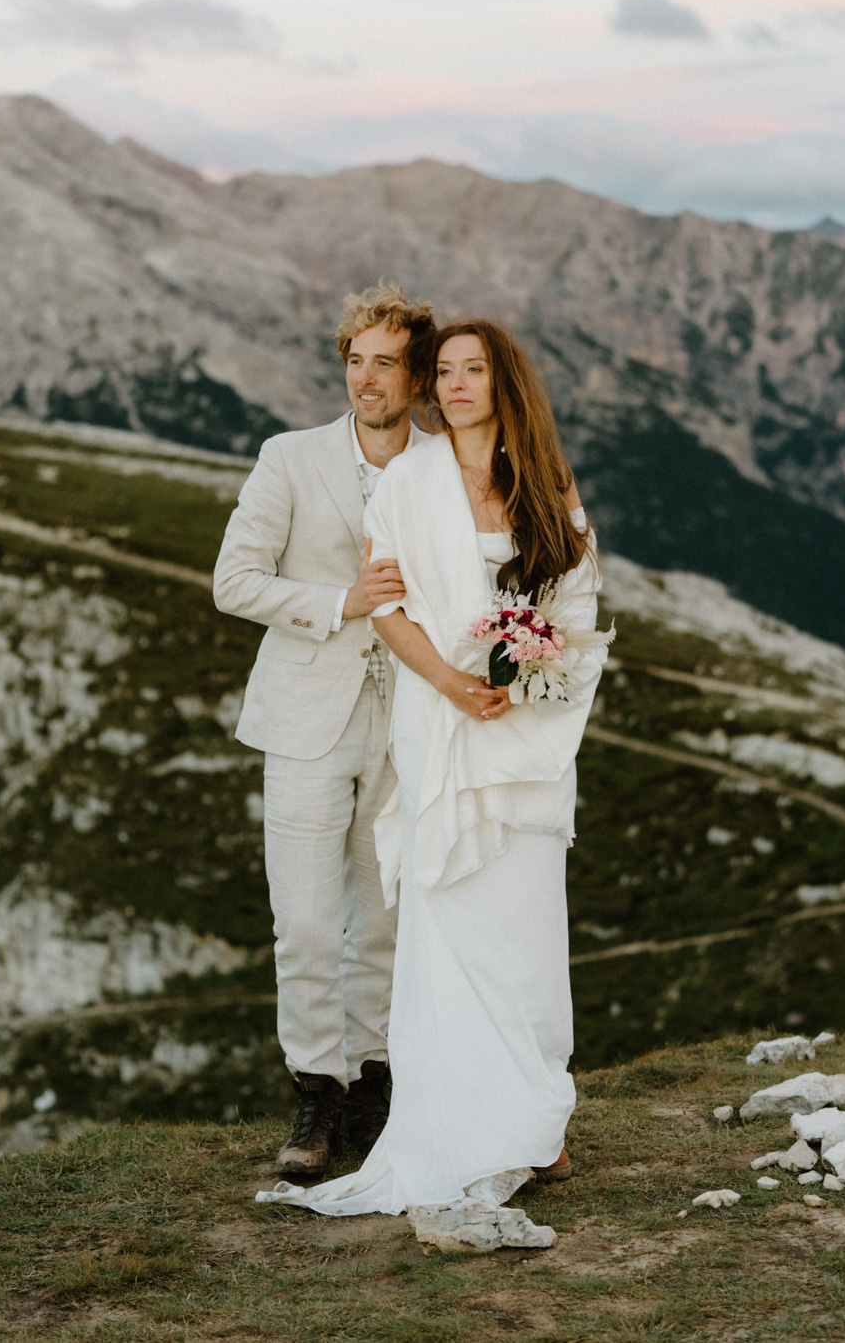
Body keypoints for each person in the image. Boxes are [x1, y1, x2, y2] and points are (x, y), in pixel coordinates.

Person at [258, 319, 606, 1218]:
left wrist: (537, 667)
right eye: (444, 372)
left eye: (472, 370)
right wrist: (454, 680)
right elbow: (388, 605)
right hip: (439, 714)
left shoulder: (546, 482)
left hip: (526, 728)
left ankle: (537, 1116)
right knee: (448, 920)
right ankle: (444, 1113)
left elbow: (573, 597)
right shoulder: (410, 481)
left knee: (526, 925)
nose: (455, 385)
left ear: (503, 383)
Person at [213, 281, 434, 1178]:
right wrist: (339, 603)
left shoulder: (441, 464)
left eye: (385, 363)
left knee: (383, 924)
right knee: (304, 922)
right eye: (355, 360)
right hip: (305, 720)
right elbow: (234, 581)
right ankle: (315, 1096)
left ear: (416, 377)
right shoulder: (288, 458)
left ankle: (375, 1089)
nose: (365, 378)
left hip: (410, 722)